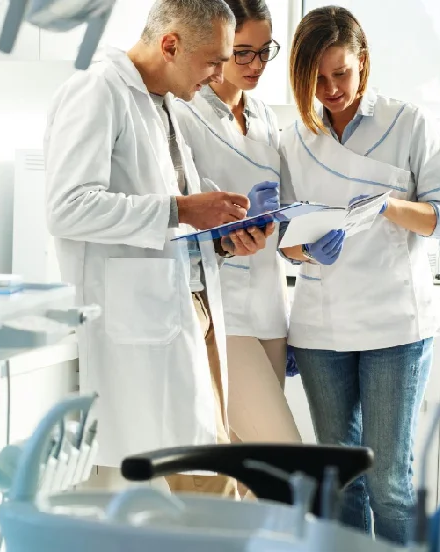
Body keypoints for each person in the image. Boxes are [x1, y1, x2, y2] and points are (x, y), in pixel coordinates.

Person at [43, 0, 278, 498]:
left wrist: (225, 239)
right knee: (211, 492)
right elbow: (68, 207)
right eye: (214, 60)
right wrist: (183, 210)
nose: (221, 74)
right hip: (148, 322)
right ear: (170, 44)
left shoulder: (165, 102)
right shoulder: (97, 90)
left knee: (212, 476)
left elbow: (175, 228)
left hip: (195, 313)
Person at [279, 6, 440, 544]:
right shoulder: (294, 140)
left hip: (394, 325)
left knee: (389, 483)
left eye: (341, 73)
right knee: (341, 483)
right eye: (317, 77)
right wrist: (305, 251)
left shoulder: (409, 123)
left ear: (363, 62)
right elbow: (285, 245)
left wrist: (388, 207)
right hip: (321, 327)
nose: (331, 88)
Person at [171, 0, 302, 458]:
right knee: (288, 461)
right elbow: (177, 216)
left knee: (250, 474)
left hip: (270, 304)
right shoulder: (183, 113)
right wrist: (226, 234)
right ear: (220, 45)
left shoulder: (266, 115)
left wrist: (302, 235)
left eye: (266, 51)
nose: (256, 65)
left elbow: (283, 212)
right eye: (242, 52)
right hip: (220, 307)